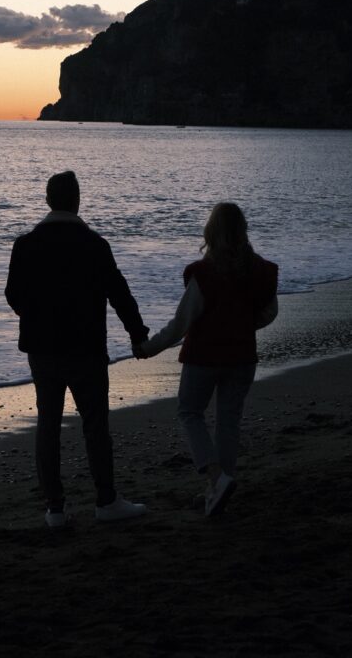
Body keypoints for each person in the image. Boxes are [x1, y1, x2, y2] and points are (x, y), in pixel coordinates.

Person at [5, 170, 150, 528]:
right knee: (95, 425)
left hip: (42, 348)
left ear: (48, 200)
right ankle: (105, 500)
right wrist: (138, 335)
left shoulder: (25, 244)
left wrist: (36, 315)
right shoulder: (94, 245)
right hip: (86, 346)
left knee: (48, 425)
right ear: (77, 200)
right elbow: (119, 294)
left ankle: (54, 508)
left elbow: (13, 295)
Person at [135, 202, 278, 516]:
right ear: (243, 231)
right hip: (242, 356)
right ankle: (219, 486)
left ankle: (216, 478)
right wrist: (242, 324)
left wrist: (148, 348)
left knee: (189, 412)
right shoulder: (261, 271)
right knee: (229, 421)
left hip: (204, 356)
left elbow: (180, 325)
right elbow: (269, 313)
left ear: (211, 232)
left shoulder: (203, 273)